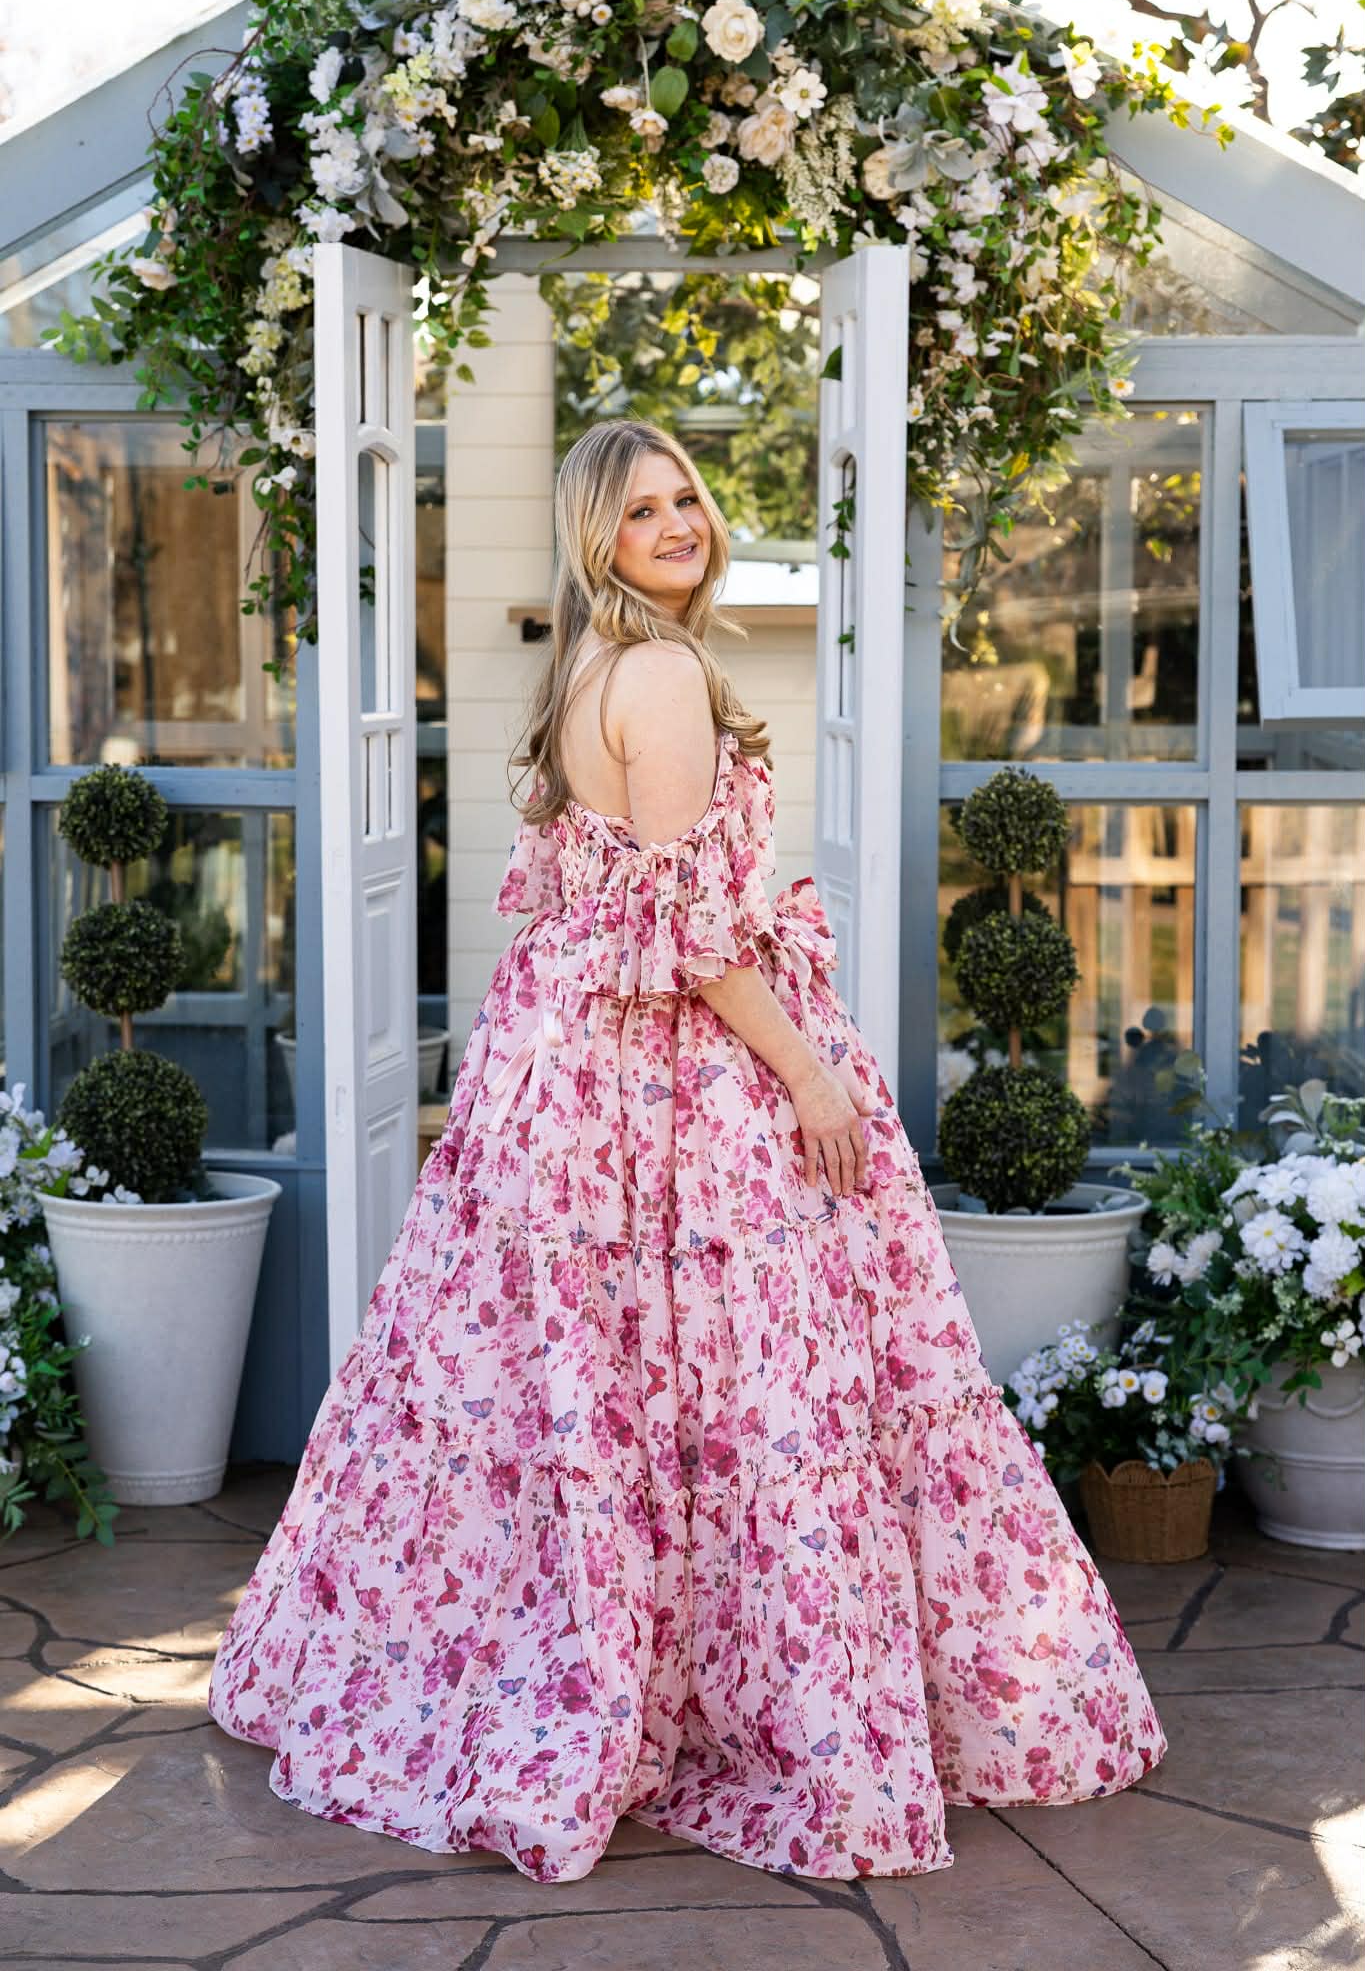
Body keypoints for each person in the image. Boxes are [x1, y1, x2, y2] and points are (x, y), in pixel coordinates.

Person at [208, 417, 1168, 1884]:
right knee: (739, 1384)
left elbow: (600, 904)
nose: (676, 524)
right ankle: (712, 1705)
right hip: (659, 1086)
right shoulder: (653, 670)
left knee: (581, 1395)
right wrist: (810, 1081)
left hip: (566, 1073)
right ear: (597, 537)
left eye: (688, 499)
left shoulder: (591, 666)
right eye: (640, 509)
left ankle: (571, 1672)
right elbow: (691, 934)